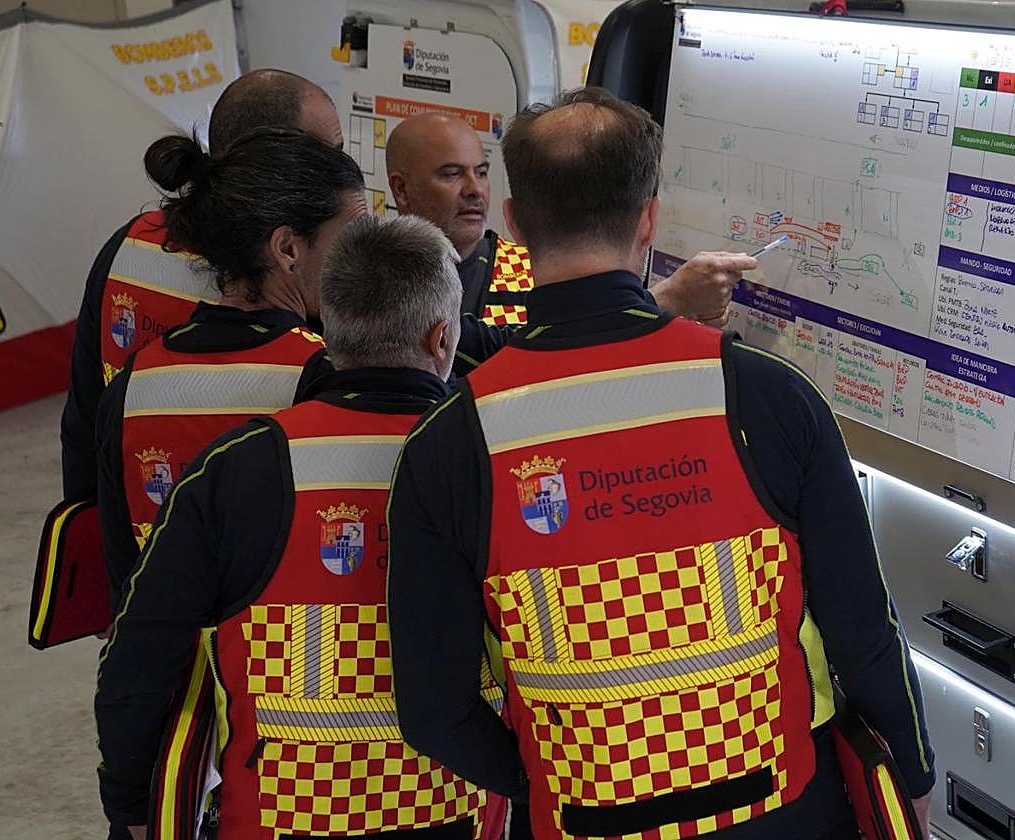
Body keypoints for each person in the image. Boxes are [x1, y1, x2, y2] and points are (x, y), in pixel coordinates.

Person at [387, 88, 935, 840]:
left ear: (514, 223)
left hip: (582, 819)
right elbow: (864, 633)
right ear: (649, 218)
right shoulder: (770, 396)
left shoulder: (450, 440)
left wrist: (548, 782)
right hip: (786, 810)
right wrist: (912, 775)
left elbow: (433, 710)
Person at [96, 215, 505, 839]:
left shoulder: (236, 467)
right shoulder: (494, 458)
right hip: (461, 809)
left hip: (277, 817)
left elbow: (142, 653)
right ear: (443, 338)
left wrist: (127, 801)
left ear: (326, 327)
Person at [95, 128, 365, 602]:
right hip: (276, 667)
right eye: (351, 239)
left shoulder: (133, 380)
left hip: (169, 663)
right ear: (287, 249)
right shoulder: (322, 375)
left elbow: (124, 572)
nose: (361, 261)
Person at [60, 68, 343, 502]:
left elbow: (84, 422)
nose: (342, 172)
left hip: (136, 533)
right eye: (328, 157)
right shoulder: (287, 277)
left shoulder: (127, 247)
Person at [384, 111, 752, 337]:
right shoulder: (372, 279)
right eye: (451, 175)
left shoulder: (534, 269)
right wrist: (665, 300)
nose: (474, 190)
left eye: (481, 173)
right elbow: (527, 349)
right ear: (401, 189)